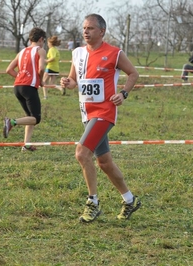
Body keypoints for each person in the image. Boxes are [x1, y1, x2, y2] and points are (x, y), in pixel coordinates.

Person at [60, 14, 141, 223]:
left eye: (91, 28)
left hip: (105, 112)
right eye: (84, 28)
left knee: (81, 153)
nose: (86, 32)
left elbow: (133, 73)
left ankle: (93, 203)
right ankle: (130, 200)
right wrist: (67, 82)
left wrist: (123, 93)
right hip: (86, 113)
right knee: (104, 162)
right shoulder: (77, 53)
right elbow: (73, 81)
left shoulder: (114, 53)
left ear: (102, 31)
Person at [3, 27, 46, 152]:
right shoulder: (40, 50)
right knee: (36, 119)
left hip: (18, 87)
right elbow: (41, 69)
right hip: (29, 87)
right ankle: (11, 122)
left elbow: (8, 70)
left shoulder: (21, 52)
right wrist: (41, 80)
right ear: (41, 39)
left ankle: (26, 145)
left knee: (30, 117)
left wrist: (21, 77)